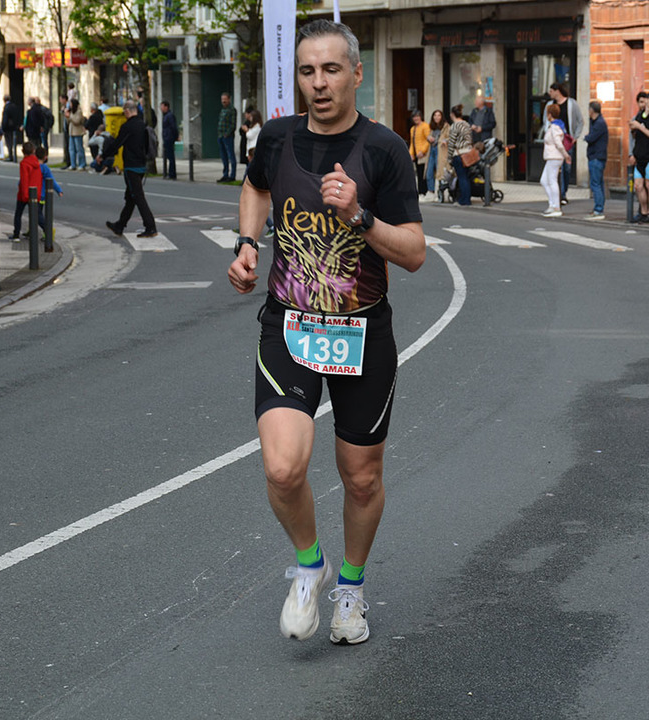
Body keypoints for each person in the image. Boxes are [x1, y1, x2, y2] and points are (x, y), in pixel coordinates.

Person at [227, 19, 424, 646]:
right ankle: (309, 565)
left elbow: (415, 253)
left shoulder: (384, 150)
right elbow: (255, 187)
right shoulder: (277, 138)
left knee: (360, 476)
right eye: (307, 71)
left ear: (356, 74)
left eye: (331, 69)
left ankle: (352, 588)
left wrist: (359, 215)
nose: (318, 83)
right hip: (289, 324)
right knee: (283, 468)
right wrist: (246, 242)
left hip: (362, 331)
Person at [103, 100, 158, 238]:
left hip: (131, 166)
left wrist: (102, 156)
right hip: (141, 165)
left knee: (138, 197)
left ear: (127, 111)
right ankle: (120, 226)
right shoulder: (143, 125)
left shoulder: (127, 127)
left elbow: (117, 144)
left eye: (124, 112)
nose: (124, 114)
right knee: (130, 197)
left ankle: (150, 226)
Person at [544, 83, 582, 204]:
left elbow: (580, 121)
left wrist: (575, 136)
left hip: (566, 140)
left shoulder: (571, 103)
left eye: (551, 91)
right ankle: (560, 196)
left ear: (557, 91)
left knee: (566, 169)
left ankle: (563, 192)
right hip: (555, 142)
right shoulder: (550, 105)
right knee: (556, 170)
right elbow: (546, 122)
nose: (550, 93)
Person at [628, 91, 649, 223]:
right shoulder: (639, 115)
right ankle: (643, 211)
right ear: (646, 101)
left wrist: (640, 127)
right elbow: (634, 133)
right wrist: (633, 128)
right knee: (638, 185)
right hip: (639, 155)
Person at [9, 142, 42, 241]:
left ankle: (16, 234)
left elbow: (24, 180)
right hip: (35, 192)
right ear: (34, 151)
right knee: (37, 215)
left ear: (23, 151)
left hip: (25, 193)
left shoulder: (24, 163)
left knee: (18, 214)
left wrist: (24, 194)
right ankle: (47, 230)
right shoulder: (37, 163)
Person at [540, 102, 568, 217]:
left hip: (554, 157)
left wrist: (566, 155)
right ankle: (552, 204)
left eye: (547, 113)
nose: (547, 115)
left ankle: (556, 207)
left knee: (552, 181)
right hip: (552, 157)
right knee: (544, 180)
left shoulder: (554, 127)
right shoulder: (555, 126)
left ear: (550, 114)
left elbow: (558, 143)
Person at [583, 101, 607, 220]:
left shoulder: (599, 123)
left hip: (596, 157)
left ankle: (598, 209)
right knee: (598, 183)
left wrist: (586, 137)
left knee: (595, 183)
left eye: (589, 109)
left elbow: (591, 138)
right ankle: (599, 208)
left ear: (592, 110)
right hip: (597, 156)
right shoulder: (597, 122)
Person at [447, 105, 473, 206]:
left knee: (462, 177)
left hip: (458, 154)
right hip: (468, 153)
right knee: (466, 177)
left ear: (452, 114)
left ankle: (464, 200)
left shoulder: (454, 126)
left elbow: (451, 143)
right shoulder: (466, 124)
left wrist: (449, 158)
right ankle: (467, 198)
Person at [408, 110, 430, 197]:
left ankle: (424, 192)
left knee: (423, 174)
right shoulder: (412, 129)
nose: (416, 118)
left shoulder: (425, 126)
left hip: (423, 154)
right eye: (414, 117)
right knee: (418, 174)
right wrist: (411, 153)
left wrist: (423, 151)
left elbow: (428, 140)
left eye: (417, 116)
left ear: (421, 117)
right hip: (416, 154)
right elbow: (412, 142)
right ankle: (420, 192)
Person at [426, 109, 446, 200]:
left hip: (440, 151)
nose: (436, 117)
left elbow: (449, 137)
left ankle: (439, 193)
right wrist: (429, 138)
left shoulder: (446, 126)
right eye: (435, 115)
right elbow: (428, 136)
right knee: (429, 172)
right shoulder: (431, 127)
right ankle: (431, 191)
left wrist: (443, 141)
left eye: (439, 115)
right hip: (432, 150)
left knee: (440, 172)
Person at [217, 92, 237, 182]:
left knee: (230, 155)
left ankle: (232, 175)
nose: (223, 101)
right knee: (223, 156)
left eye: (225, 99)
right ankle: (225, 174)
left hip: (227, 136)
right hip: (220, 135)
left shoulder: (232, 110)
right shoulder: (222, 110)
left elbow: (233, 124)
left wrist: (227, 134)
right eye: (222, 99)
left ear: (229, 99)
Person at [66, 99, 87, 170]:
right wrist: (67, 117)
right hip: (71, 132)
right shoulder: (71, 111)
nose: (70, 105)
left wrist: (70, 117)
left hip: (77, 132)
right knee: (71, 149)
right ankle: (73, 164)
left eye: (71, 104)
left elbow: (77, 121)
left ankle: (82, 164)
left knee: (79, 149)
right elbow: (68, 122)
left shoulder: (79, 112)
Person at [242, 108, 263, 179]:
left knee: (250, 167)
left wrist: (246, 130)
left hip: (253, 148)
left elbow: (250, 135)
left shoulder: (257, 126)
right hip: (250, 148)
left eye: (251, 117)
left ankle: (245, 180)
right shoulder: (253, 126)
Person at [1, 95, 22, 162]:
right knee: (12, 141)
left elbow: (5, 118)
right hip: (13, 126)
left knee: (8, 142)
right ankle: (13, 155)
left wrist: (3, 127)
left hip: (7, 127)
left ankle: (10, 155)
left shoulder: (7, 107)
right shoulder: (14, 106)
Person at [161, 100, 178, 180]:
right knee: (169, 156)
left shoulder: (169, 116)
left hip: (169, 138)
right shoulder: (166, 116)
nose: (161, 108)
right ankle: (171, 172)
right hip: (167, 137)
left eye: (162, 106)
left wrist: (175, 136)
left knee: (171, 157)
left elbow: (173, 127)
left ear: (166, 107)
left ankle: (172, 173)